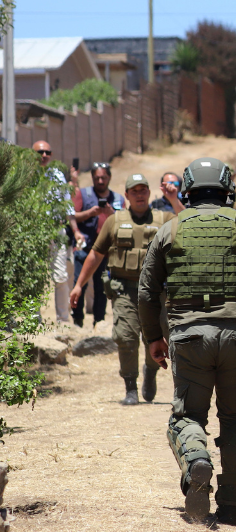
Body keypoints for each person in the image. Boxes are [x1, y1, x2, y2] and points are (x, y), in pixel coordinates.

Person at [138, 157, 236, 523]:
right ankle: (233, 506)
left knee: (187, 416)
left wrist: (154, 338)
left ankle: (196, 462)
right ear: (227, 190)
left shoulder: (170, 229)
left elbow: (146, 292)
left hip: (189, 338)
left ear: (187, 191)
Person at [70, 174, 172, 405]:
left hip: (156, 292)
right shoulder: (114, 221)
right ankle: (130, 387)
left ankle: (151, 371)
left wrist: (173, 199)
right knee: (125, 336)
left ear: (149, 193)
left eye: (143, 190)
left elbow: (186, 224)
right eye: (134, 191)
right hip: (124, 290)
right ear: (126, 195)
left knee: (155, 336)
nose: (139, 195)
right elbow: (96, 254)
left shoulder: (164, 219)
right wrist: (78, 285)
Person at [34, 141, 84, 325]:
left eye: (47, 152)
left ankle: (63, 320)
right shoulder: (28, 175)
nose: (44, 155)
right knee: (35, 277)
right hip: (35, 232)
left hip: (57, 230)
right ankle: (34, 320)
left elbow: (67, 206)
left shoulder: (57, 175)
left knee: (61, 276)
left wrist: (75, 231)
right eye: (40, 152)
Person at [72, 162, 126, 327]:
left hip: (106, 252)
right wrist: (90, 213)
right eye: (97, 178)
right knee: (79, 284)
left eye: (103, 177)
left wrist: (112, 214)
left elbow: (125, 223)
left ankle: (99, 321)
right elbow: (72, 216)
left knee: (102, 288)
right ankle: (77, 321)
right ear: (92, 178)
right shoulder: (83, 194)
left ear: (109, 177)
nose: (100, 181)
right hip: (84, 248)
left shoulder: (118, 199)